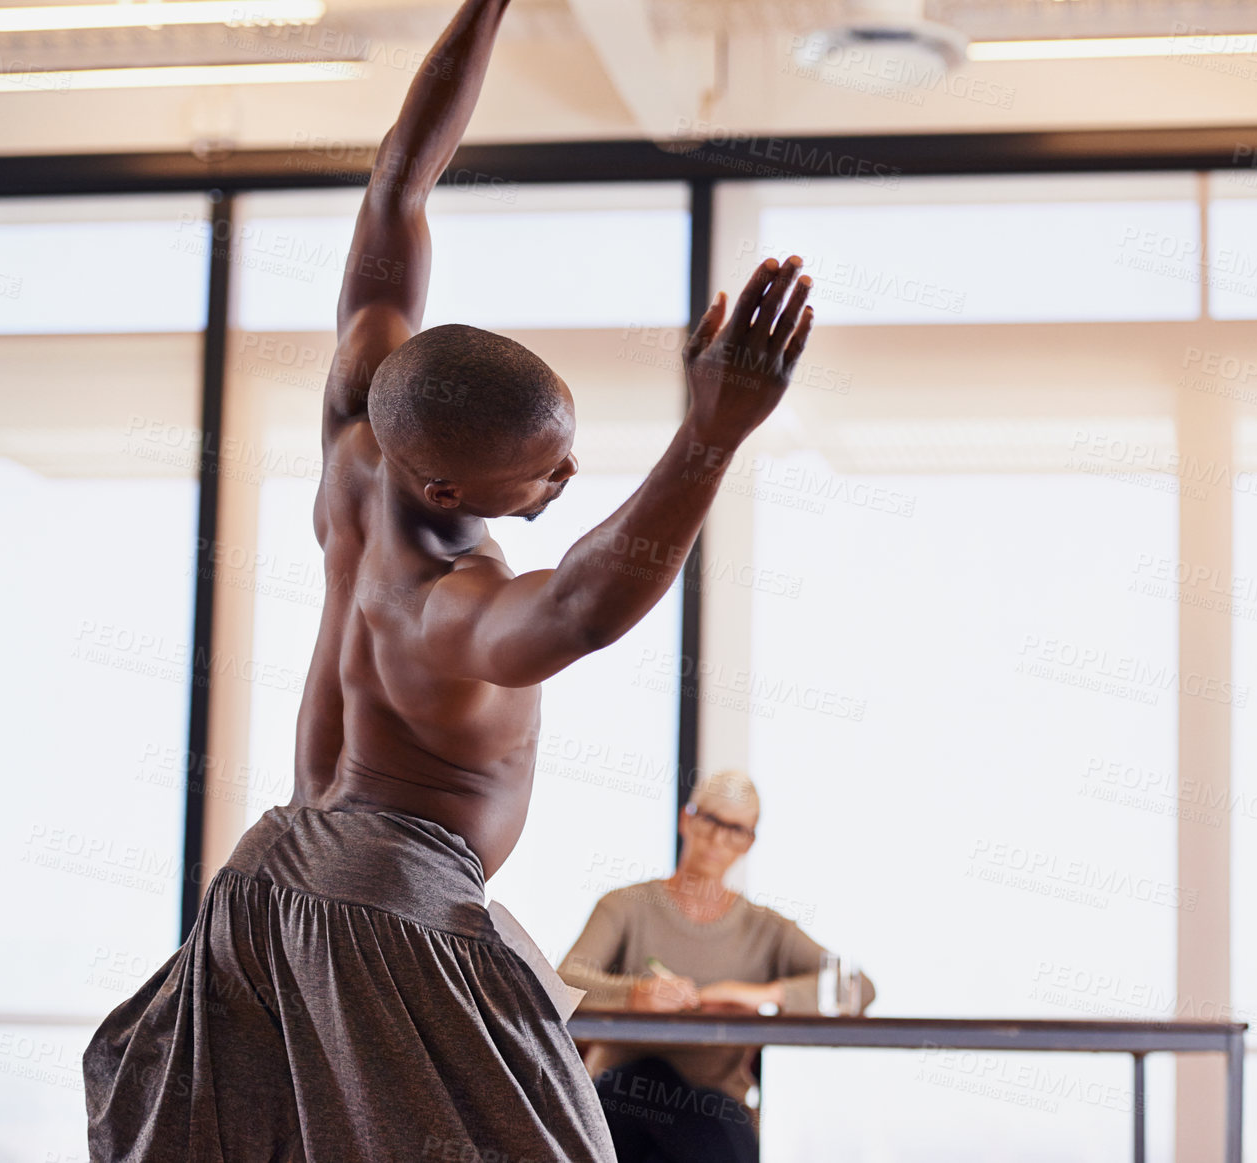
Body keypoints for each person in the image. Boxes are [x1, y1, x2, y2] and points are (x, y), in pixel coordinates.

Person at [80, 0, 817, 1157]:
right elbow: (583, 601)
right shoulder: (451, 609)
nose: (566, 478)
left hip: (268, 885)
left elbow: (398, 185)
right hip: (387, 912)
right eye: (538, 475)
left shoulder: (361, 418)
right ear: (446, 492)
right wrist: (712, 436)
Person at [560, 770, 875, 1163]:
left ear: (749, 842)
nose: (718, 838)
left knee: (694, 1119)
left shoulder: (766, 929)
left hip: (712, 1107)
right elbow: (564, 983)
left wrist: (760, 996)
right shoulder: (626, 907)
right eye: (710, 820)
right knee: (646, 1080)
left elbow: (858, 987)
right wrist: (633, 995)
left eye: (735, 829)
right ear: (687, 819)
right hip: (623, 1100)